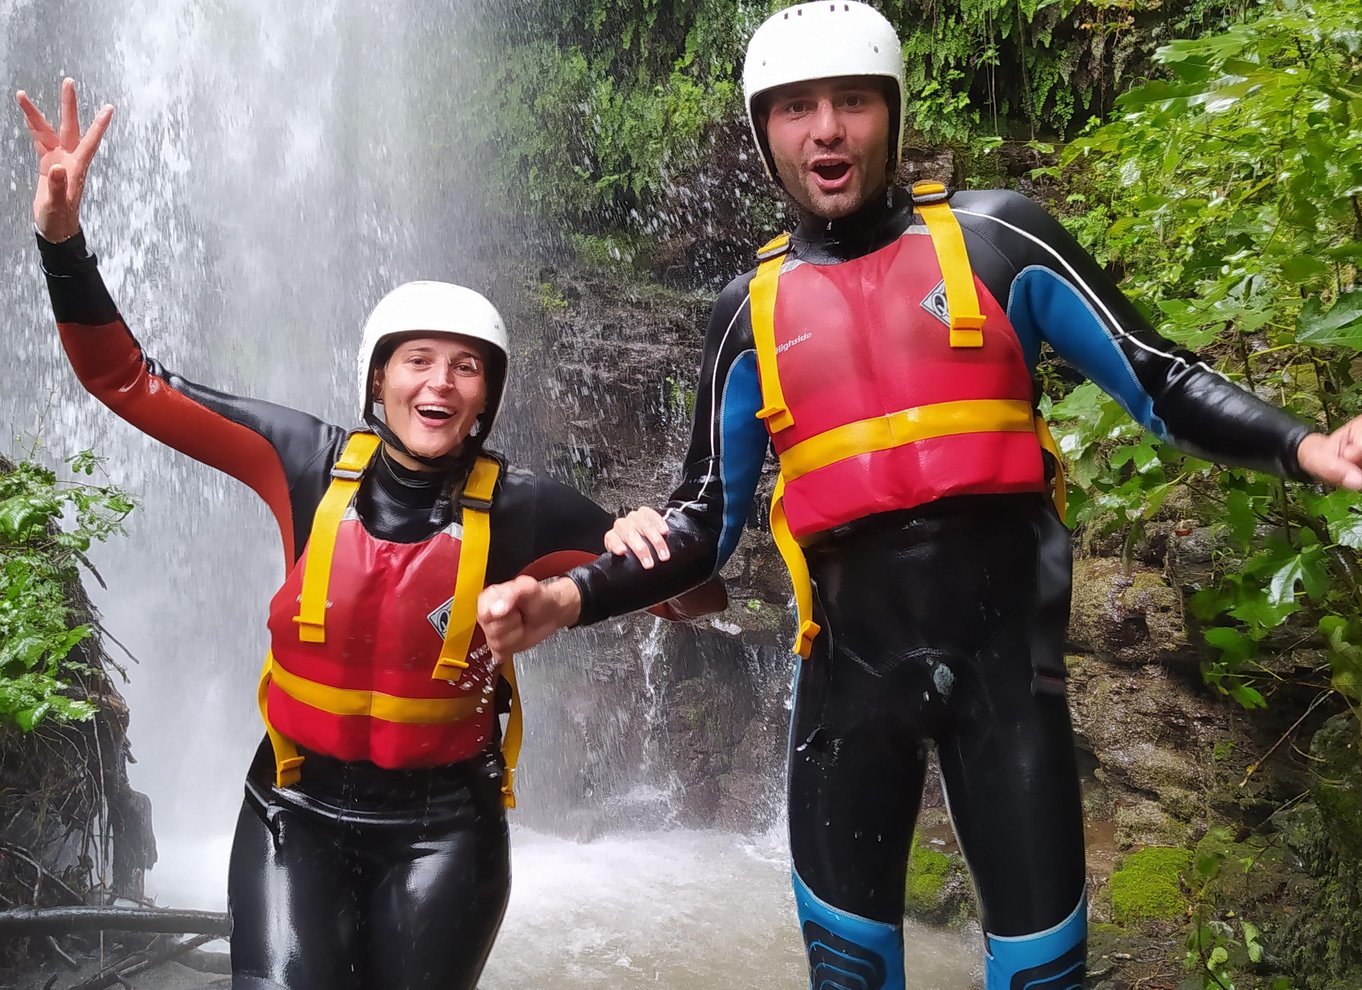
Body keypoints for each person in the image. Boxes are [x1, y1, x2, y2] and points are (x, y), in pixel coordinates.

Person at [476, 3, 1362, 988]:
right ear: (764, 130)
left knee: (1044, 975)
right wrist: (566, 598)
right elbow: (701, 519)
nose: (827, 130)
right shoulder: (747, 314)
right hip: (847, 700)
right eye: (797, 108)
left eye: (852, 102)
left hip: (1007, 692)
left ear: (891, 115)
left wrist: (1306, 445)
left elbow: (1158, 378)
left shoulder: (1000, 242)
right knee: (850, 977)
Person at [16, 79, 723, 990]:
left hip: (444, 832)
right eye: (417, 360)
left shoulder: (526, 510)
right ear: (378, 381)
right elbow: (125, 381)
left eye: (468, 367)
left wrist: (645, 539)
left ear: (485, 400)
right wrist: (62, 240)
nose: (441, 383)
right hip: (290, 813)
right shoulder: (301, 461)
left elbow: (695, 601)